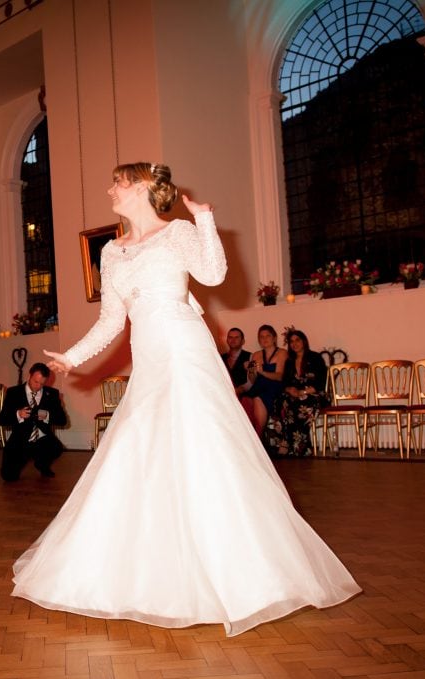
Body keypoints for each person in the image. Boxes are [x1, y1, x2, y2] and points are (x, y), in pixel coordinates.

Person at [19, 161, 359, 636]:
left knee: (202, 445)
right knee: (143, 447)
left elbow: (214, 274)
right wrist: (72, 358)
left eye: (117, 182)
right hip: (150, 356)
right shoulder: (112, 251)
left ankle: (238, 572)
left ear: (139, 187)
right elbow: (113, 321)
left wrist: (204, 219)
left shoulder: (178, 232)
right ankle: (151, 569)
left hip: (185, 348)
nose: (109, 188)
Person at [0, 362, 67, 481]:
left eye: (42, 383)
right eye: (36, 382)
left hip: (42, 439)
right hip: (20, 440)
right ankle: (23, 459)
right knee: (8, 476)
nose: (38, 386)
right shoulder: (13, 392)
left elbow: (63, 420)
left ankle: (42, 464)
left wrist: (47, 416)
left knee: (57, 447)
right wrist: (18, 414)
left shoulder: (52, 394)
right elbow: (2, 420)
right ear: (29, 376)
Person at [266, 329, 328, 457]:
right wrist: (290, 390)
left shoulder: (315, 358)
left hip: (313, 394)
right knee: (280, 400)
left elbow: (321, 382)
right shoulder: (289, 362)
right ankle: (283, 442)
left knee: (301, 403)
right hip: (294, 396)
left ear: (304, 341)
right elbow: (285, 382)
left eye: (297, 340)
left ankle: (299, 447)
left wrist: (303, 391)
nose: (294, 344)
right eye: (291, 341)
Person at [240, 324, 287, 436]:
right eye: (261, 336)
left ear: (274, 338)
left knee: (257, 398)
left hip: (274, 387)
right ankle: (249, 436)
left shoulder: (282, 353)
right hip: (259, 386)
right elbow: (252, 380)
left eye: (268, 336)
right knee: (244, 399)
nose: (265, 339)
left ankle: (258, 436)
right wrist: (250, 370)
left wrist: (262, 372)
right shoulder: (256, 355)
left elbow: (280, 376)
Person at [220, 327, 251, 394]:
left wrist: (240, 389)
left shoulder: (250, 356)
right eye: (230, 337)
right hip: (224, 394)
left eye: (236, 337)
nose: (233, 340)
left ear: (243, 341)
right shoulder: (220, 358)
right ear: (227, 340)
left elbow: (252, 381)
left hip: (244, 396)